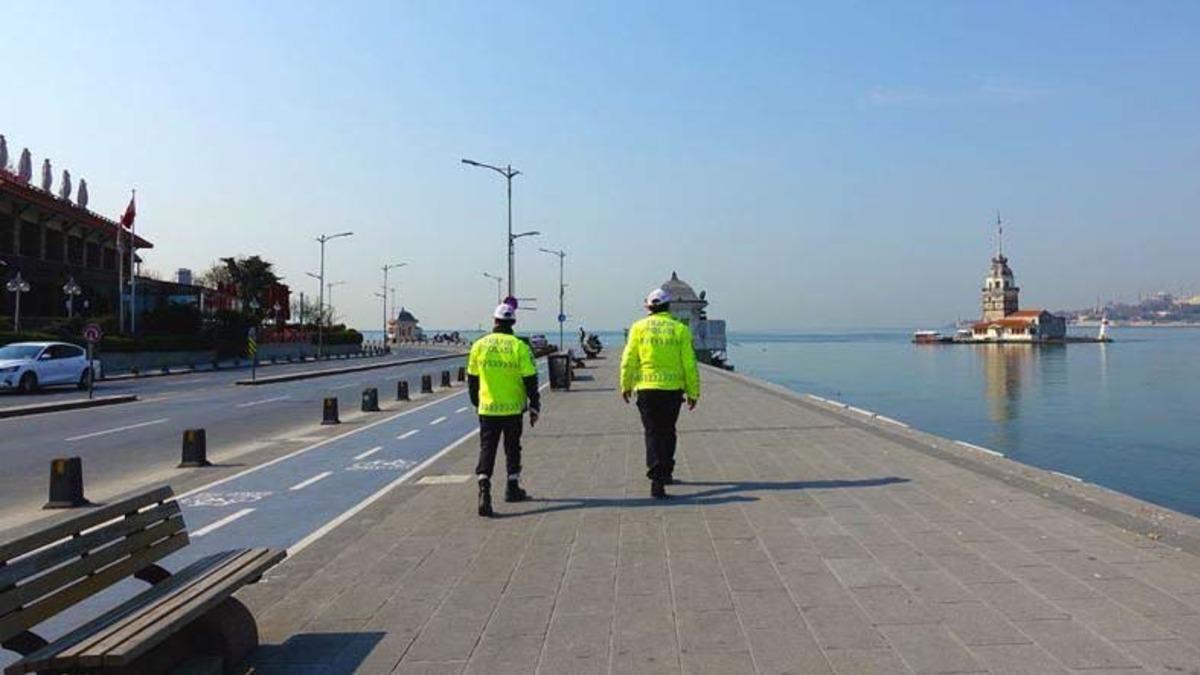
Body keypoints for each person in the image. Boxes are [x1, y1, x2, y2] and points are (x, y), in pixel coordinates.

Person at [619, 288, 700, 498]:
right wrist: (693, 392)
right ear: (668, 306)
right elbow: (689, 363)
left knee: (653, 432)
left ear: (648, 307)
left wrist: (625, 385)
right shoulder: (680, 329)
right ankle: (666, 471)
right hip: (672, 390)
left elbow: (629, 359)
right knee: (668, 431)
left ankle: (657, 479)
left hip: (646, 389)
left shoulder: (638, 328)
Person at [467, 303, 541, 517]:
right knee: (512, 447)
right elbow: (530, 378)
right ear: (513, 322)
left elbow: (472, 378)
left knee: (487, 448)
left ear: (494, 321)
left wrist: (476, 402)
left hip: (488, 408)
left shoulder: (479, 345)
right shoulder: (520, 346)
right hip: (512, 408)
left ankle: (484, 489)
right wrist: (535, 404)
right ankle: (512, 487)